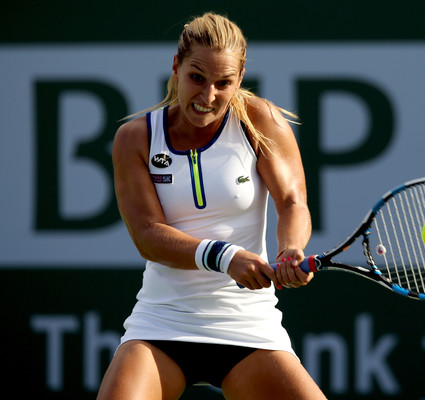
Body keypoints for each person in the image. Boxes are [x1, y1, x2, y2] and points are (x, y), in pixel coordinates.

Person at [97, 12, 327, 400]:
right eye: (197, 78)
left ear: (240, 79)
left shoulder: (261, 121)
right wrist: (225, 257)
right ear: (176, 67)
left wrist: (290, 250)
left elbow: (292, 202)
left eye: (224, 83)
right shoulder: (134, 138)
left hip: (249, 327)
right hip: (161, 325)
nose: (208, 97)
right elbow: (147, 235)